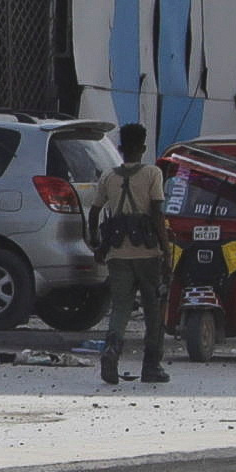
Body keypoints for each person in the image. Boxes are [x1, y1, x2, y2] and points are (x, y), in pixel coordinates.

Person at [90, 122, 172, 385]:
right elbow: (157, 213)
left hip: (117, 253)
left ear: (121, 148)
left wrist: (97, 243)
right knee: (153, 311)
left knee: (121, 308)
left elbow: (94, 212)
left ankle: (111, 351)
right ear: (144, 147)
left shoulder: (108, 176)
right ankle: (151, 367)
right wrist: (166, 250)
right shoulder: (152, 174)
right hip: (148, 254)